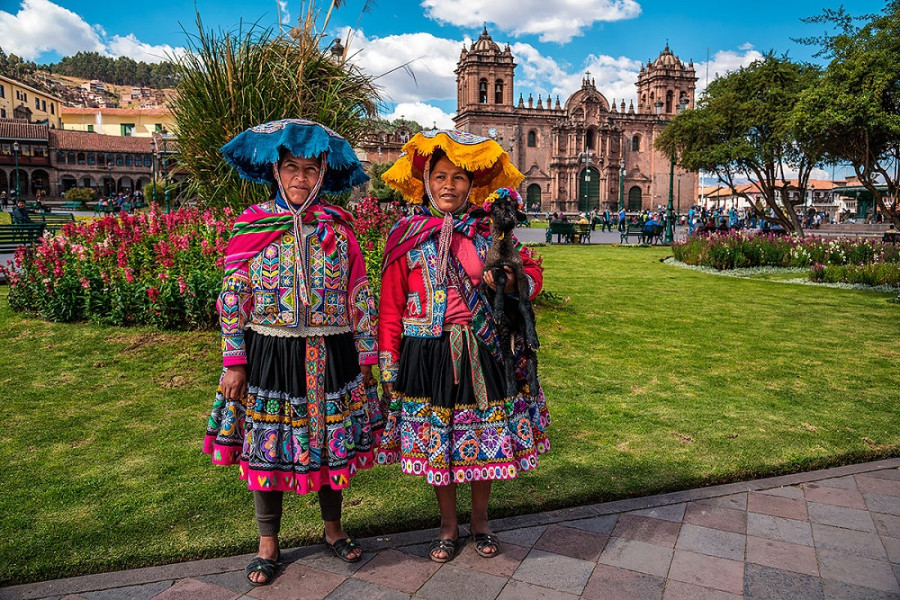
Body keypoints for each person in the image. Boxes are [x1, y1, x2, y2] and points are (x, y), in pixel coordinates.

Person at [203, 119, 383, 586]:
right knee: (267, 444)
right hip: (271, 352)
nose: (301, 178)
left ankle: (334, 528)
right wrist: (233, 359)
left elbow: (359, 293)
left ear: (323, 173)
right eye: (292, 169)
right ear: (276, 172)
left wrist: (366, 359)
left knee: (331, 443)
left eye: (309, 169)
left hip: (333, 349)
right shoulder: (253, 226)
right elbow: (232, 296)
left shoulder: (339, 230)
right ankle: (268, 542)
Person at [377, 129, 550, 564]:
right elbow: (390, 304)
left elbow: (530, 276)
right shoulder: (406, 234)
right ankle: (448, 527)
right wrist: (388, 361)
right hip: (427, 351)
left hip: (482, 347)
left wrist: (509, 281)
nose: (448, 185)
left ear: (472, 185)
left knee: (483, 436)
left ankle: (481, 521)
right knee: (442, 442)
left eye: (457, 177)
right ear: (426, 181)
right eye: (440, 176)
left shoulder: (488, 233)